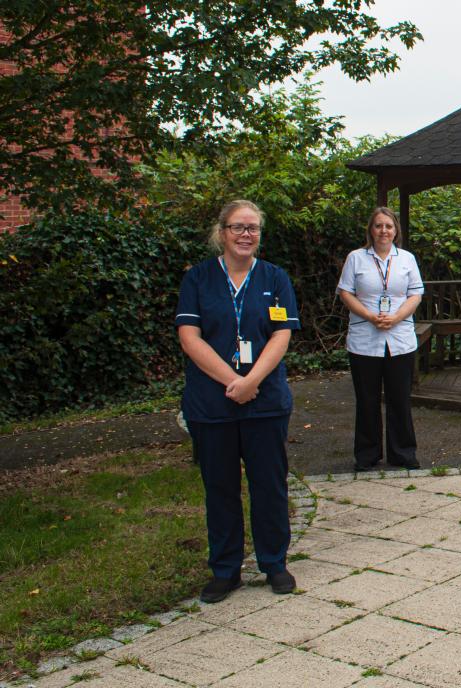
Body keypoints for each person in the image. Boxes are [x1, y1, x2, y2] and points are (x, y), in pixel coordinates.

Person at [175, 200, 301, 603]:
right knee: (221, 488)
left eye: (253, 228)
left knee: (269, 484)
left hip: (264, 401)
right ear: (222, 232)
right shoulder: (197, 279)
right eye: (238, 227)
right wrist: (234, 381)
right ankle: (225, 569)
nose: (246, 235)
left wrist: (253, 381)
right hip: (213, 403)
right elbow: (189, 338)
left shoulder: (274, 278)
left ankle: (274, 562)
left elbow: (281, 335)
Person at [337, 207, 424, 471]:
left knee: (399, 398)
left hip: (399, 339)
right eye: (378, 226)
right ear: (370, 230)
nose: (383, 231)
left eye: (388, 226)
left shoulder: (406, 258)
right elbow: (346, 293)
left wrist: (396, 317)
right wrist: (370, 315)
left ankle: (403, 453)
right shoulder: (356, 258)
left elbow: (415, 294)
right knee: (367, 400)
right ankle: (367, 455)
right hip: (365, 338)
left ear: (396, 230)